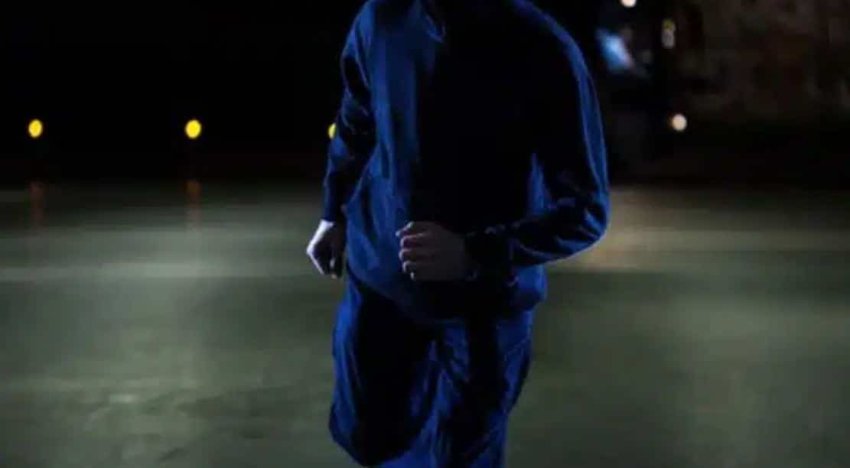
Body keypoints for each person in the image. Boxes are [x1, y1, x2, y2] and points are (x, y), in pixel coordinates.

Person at [306, 0, 609, 465]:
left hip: (483, 306)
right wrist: (334, 212)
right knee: (366, 435)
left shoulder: (542, 48)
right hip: (382, 282)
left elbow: (585, 209)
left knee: (460, 454)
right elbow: (357, 117)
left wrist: (474, 254)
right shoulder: (380, 19)